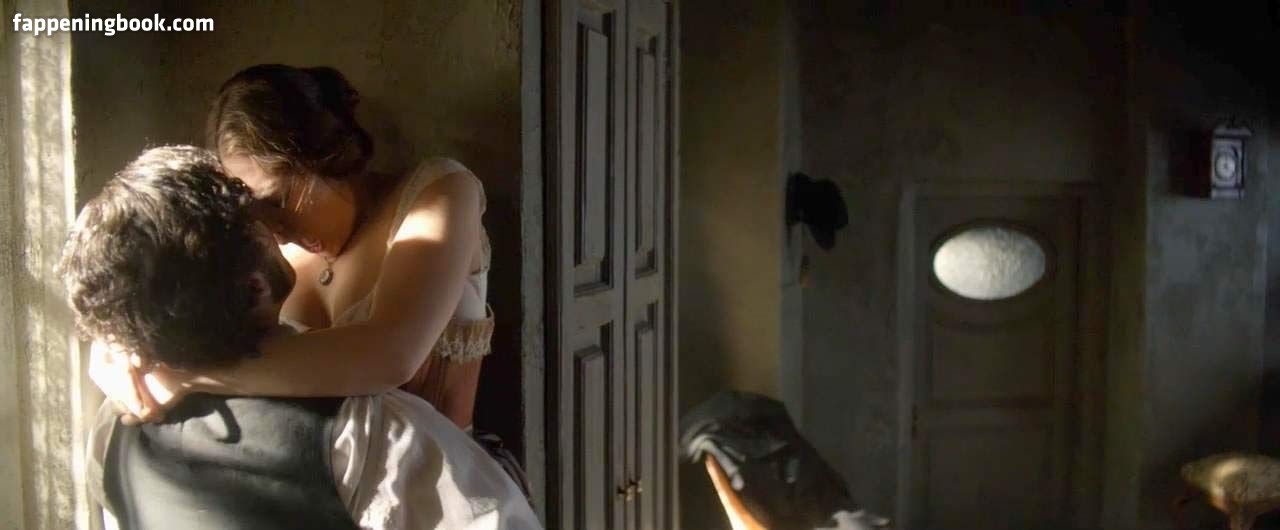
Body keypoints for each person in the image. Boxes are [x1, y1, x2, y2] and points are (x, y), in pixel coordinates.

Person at [89, 64, 528, 494]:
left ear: (321, 155)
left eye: (279, 200)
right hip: (319, 494)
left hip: (446, 493)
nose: (274, 230)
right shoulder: (274, 257)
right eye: (255, 212)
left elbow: (391, 356)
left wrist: (190, 374)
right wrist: (123, 347)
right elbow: (177, 303)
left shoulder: (437, 193)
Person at [63, 146, 541, 529]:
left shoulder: (112, 434)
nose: (278, 229)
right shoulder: (371, 438)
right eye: (259, 218)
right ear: (254, 286)